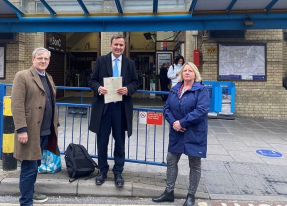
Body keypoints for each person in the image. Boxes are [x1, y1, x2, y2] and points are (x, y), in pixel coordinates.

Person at [152, 62, 210, 206]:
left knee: (194, 164)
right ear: (181, 73)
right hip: (176, 131)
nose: (187, 73)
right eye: (185, 71)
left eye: (190, 71)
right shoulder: (175, 89)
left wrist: (182, 123)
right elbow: (166, 109)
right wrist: (173, 123)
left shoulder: (201, 90)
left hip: (194, 132)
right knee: (171, 160)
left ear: (195, 73)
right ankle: (169, 192)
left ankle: (191, 196)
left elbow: (201, 110)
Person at [89, 34, 139, 187]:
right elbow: (92, 80)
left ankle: (118, 172)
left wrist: (128, 89)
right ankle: (102, 171)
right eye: (116, 44)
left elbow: (136, 82)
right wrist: (98, 88)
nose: (118, 47)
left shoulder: (129, 63)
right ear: (111, 45)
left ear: (125, 47)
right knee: (102, 141)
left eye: (121, 45)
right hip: (104, 108)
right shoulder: (101, 61)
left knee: (120, 142)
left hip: (120, 109)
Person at [11, 47, 60, 206]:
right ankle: (25, 201)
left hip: (45, 130)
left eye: (46, 59)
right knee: (29, 167)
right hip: (30, 131)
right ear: (33, 59)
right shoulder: (22, 76)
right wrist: (21, 129)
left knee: (36, 165)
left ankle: (30, 192)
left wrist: (55, 125)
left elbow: (51, 103)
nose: (43, 61)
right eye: (40, 58)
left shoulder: (49, 77)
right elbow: (16, 105)